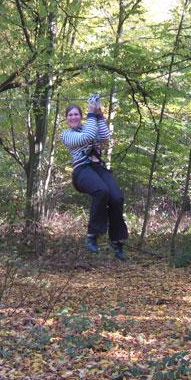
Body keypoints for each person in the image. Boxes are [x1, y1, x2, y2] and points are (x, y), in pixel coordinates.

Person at [61, 97, 128, 259]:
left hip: (99, 168)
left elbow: (104, 137)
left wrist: (98, 113)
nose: (73, 117)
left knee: (117, 198)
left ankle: (117, 241)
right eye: (70, 115)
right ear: (66, 118)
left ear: (81, 116)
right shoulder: (66, 135)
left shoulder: (89, 126)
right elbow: (87, 137)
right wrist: (91, 113)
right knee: (101, 191)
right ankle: (93, 234)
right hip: (82, 171)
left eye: (76, 114)